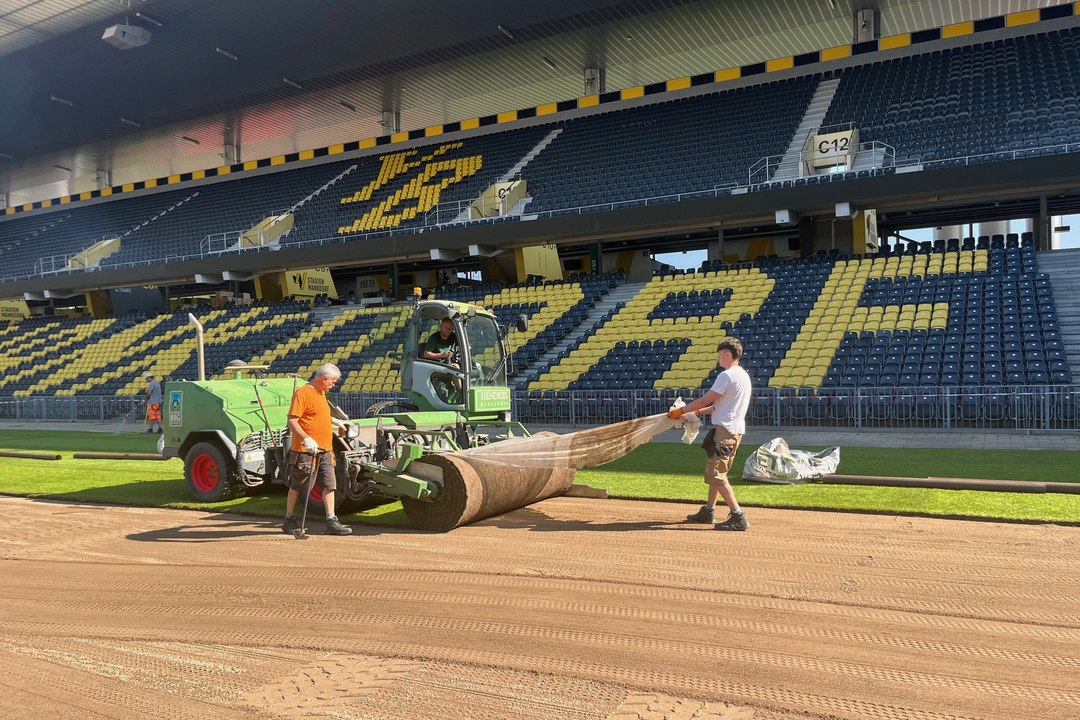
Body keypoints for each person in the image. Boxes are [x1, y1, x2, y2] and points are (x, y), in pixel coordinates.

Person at [667, 338, 752, 531]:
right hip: (734, 430)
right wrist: (694, 413)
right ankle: (709, 510)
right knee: (717, 472)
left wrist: (680, 412)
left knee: (716, 474)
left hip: (725, 431)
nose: (718, 358)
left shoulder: (726, 375)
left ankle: (738, 516)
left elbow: (706, 399)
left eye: (720, 354)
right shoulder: (743, 376)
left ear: (728, 354)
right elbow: (716, 406)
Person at [282, 364, 353, 536]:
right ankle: (289, 519)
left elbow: (318, 415)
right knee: (299, 485)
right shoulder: (302, 393)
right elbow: (292, 420)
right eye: (333, 382)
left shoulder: (321, 393)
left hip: (325, 449)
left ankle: (331, 520)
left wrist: (336, 422)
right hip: (305, 450)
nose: (333, 385)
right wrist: (306, 439)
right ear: (323, 378)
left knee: (330, 485)